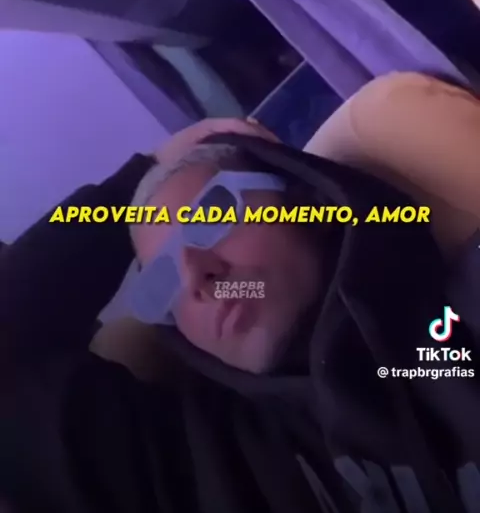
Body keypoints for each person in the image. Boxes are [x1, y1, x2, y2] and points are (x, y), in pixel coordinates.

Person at [1, 114, 480, 513]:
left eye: (213, 216)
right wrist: (141, 174)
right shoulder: (194, 461)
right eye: (162, 282)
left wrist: (157, 164)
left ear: (308, 202)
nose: (195, 275)